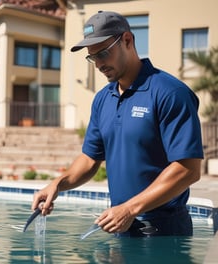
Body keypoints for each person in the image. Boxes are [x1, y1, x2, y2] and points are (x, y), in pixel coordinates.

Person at [32, 11, 203, 236]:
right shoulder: (103, 99)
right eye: (92, 57)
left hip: (164, 232)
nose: (98, 65)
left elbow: (189, 170)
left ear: (127, 40)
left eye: (103, 53)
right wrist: (58, 183)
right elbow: (90, 158)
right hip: (122, 225)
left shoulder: (170, 93)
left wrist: (130, 208)